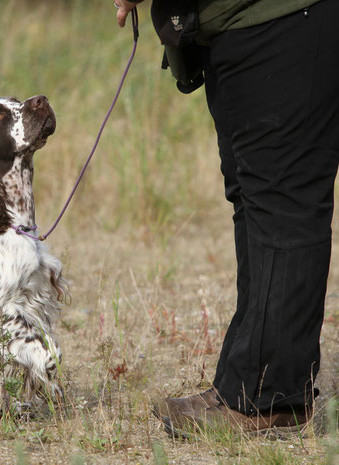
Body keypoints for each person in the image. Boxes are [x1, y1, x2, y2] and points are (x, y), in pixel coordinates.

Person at [113, 0, 339, 436]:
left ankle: (269, 398)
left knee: (281, 203)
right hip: (240, 28)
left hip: (283, 20)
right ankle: (249, 385)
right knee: (254, 198)